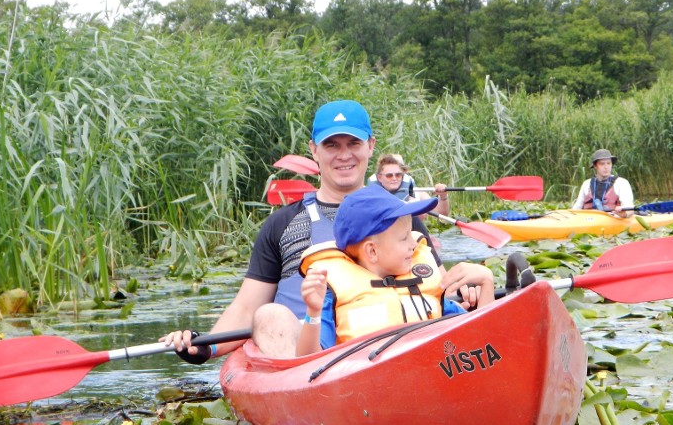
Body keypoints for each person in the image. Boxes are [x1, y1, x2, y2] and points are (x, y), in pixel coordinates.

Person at [161, 100, 485, 361]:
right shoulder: (282, 224)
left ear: (370, 146)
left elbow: (437, 290)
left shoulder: (402, 219)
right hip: (303, 357)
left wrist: (470, 290)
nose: (344, 154)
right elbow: (247, 307)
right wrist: (204, 346)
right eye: (331, 145)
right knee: (270, 313)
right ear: (314, 151)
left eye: (353, 143)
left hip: (393, 349)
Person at [296, 186, 495, 355]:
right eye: (404, 237)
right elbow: (309, 365)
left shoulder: (425, 287)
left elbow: (480, 343)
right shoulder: (333, 296)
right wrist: (313, 312)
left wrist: (486, 283)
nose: (414, 244)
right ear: (372, 251)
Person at [368, 154, 451, 217]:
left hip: (412, 233)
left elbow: (442, 214)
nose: (394, 178)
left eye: (398, 175)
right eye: (389, 175)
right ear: (379, 177)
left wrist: (443, 197)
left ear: (403, 174)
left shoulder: (417, 193)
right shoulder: (367, 195)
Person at [572, 149, 634, 218]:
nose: (606, 167)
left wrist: (622, 213)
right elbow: (576, 208)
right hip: (588, 220)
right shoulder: (586, 184)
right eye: (602, 164)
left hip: (613, 219)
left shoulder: (621, 183)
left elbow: (630, 209)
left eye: (608, 163)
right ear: (595, 166)